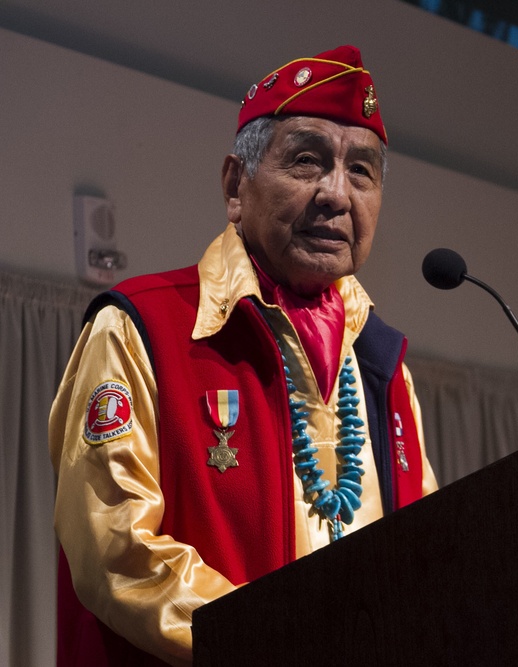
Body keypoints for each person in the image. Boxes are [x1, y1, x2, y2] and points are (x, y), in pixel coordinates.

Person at [48, 46, 437, 666]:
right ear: (236, 185)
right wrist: (280, 643)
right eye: (307, 161)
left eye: (361, 171)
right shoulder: (140, 328)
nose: (337, 194)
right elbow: (115, 553)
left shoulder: (384, 370)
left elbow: (427, 571)